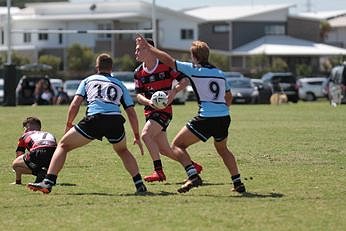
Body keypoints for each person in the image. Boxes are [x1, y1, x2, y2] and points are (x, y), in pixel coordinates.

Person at [136, 34, 246, 193]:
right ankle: (238, 183)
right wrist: (222, 110)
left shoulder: (194, 70)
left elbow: (168, 60)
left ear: (194, 57)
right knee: (223, 149)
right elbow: (228, 97)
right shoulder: (220, 73)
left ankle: (193, 175)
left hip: (206, 117)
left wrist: (149, 46)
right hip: (224, 117)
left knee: (177, 145)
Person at [27, 53, 147, 194]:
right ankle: (140, 184)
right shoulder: (119, 84)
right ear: (111, 68)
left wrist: (69, 124)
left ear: (97, 67)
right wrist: (137, 136)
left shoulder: (88, 80)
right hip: (115, 121)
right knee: (122, 150)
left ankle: (48, 182)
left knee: (63, 145)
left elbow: (75, 104)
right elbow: (131, 112)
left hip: (94, 119)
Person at [134, 38, 203, 183]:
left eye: (139, 49)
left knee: (146, 135)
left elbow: (185, 80)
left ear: (149, 49)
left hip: (164, 111)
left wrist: (173, 92)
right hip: (150, 111)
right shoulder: (138, 72)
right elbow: (138, 95)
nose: (136, 52)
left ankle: (158, 172)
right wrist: (148, 102)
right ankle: (192, 166)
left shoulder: (165, 65)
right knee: (164, 150)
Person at [12, 117, 57, 185]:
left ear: (27, 128)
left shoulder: (25, 135)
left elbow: (19, 154)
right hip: (54, 154)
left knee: (15, 165)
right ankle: (49, 176)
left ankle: (39, 173)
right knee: (43, 162)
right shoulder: (49, 134)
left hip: (38, 151)